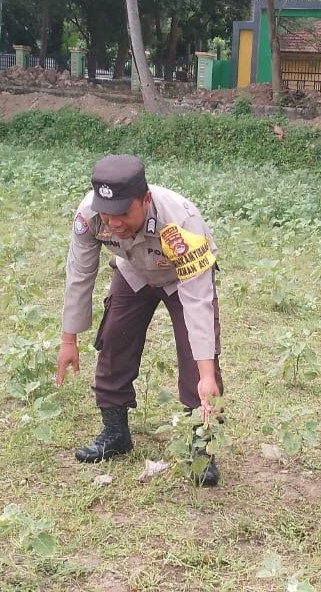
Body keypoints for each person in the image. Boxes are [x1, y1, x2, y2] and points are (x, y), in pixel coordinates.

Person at [55, 154, 224, 487]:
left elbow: (199, 302)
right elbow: (79, 274)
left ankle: (201, 449)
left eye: (123, 214)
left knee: (197, 361)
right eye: (108, 214)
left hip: (180, 278)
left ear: (145, 199)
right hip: (133, 271)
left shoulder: (181, 224)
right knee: (115, 340)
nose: (114, 223)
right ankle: (115, 433)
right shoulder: (89, 217)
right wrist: (68, 340)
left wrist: (206, 374)